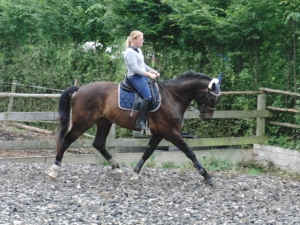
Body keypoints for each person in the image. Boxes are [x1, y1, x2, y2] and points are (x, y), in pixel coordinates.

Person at [124, 30, 160, 131]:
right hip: (134, 77)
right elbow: (135, 69)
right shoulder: (129, 52)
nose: (142, 41)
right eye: (140, 39)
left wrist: (154, 71)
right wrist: (149, 74)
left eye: (142, 39)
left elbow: (142, 65)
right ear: (133, 40)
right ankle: (140, 121)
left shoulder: (138, 50)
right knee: (148, 97)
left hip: (142, 76)